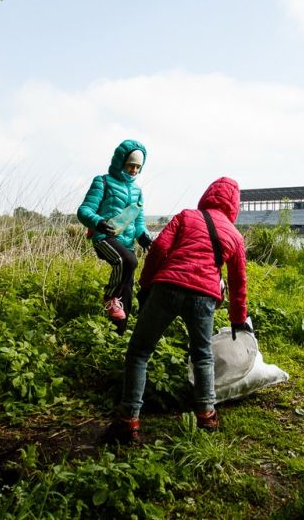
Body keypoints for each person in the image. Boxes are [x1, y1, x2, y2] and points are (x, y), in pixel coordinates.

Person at [107, 177, 251, 443]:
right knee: (202, 356)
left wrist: (146, 283)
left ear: (208, 195)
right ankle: (207, 415)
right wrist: (237, 319)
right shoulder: (235, 235)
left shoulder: (186, 216)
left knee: (139, 352)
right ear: (234, 206)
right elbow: (238, 282)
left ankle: (128, 420)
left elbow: (159, 248)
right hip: (204, 297)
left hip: (167, 287)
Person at [77, 139, 153, 334]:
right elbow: (84, 210)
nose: (134, 170)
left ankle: (117, 334)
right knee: (128, 261)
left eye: (138, 167)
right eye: (130, 165)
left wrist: (143, 236)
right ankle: (110, 297)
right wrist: (98, 222)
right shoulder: (102, 181)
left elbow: (138, 221)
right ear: (120, 162)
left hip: (126, 242)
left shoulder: (138, 191)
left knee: (127, 290)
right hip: (104, 237)